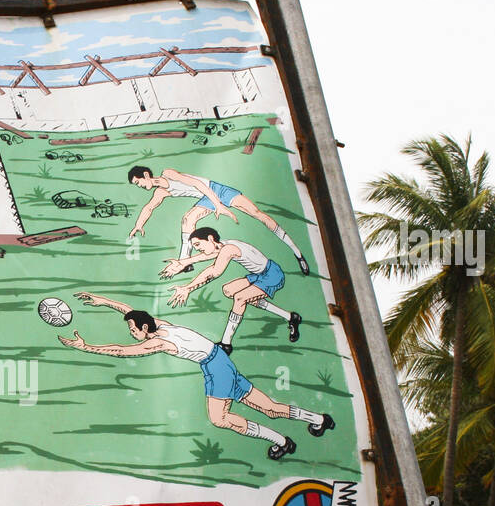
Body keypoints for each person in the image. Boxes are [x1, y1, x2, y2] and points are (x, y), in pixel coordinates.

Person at [58, 292, 333, 460]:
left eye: (133, 329)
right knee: (269, 408)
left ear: (143, 327)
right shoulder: (160, 325)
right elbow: (129, 309)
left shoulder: (158, 341)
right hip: (221, 361)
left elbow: (121, 352)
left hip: (215, 368)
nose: (131, 332)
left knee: (220, 419)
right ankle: (319, 420)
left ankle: (282, 441)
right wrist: (103, 301)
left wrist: (86, 347)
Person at [126, 165, 310, 275]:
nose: (140, 186)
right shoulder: (160, 192)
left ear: (146, 175)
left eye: (138, 182)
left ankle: (297, 252)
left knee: (256, 213)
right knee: (188, 219)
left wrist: (219, 204)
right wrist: (138, 225)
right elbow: (149, 207)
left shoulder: (168, 174)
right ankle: (185, 262)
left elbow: (198, 184)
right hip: (208, 199)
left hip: (216, 191)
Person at [163, 227, 301, 352]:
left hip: (272, 275)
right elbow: (206, 255)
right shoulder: (222, 245)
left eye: (198, 244)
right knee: (229, 290)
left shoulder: (228, 249)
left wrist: (188, 288)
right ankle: (290, 317)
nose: (197, 248)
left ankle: (226, 344)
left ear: (210, 239)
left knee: (240, 298)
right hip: (259, 275)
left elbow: (214, 272)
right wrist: (183, 262)